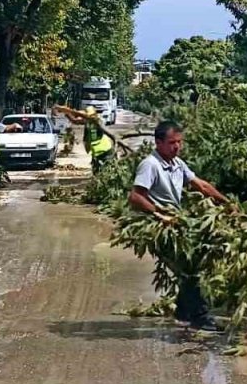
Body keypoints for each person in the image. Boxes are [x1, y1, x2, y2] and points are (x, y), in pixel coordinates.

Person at [128, 120, 232, 331]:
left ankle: (183, 313)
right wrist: (158, 214)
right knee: (190, 267)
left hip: (177, 221)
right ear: (158, 143)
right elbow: (136, 197)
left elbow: (201, 185)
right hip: (159, 227)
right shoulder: (150, 165)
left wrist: (226, 203)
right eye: (171, 143)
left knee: (191, 266)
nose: (176, 147)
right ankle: (200, 317)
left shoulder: (177, 164)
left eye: (179, 142)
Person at [56, 105, 115, 172]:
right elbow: (75, 121)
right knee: (96, 171)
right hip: (96, 153)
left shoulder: (98, 120)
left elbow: (83, 116)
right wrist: (66, 113)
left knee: (106, 170)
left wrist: (69, 111)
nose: (86, 117)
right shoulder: (88, 122)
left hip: (106, 151)